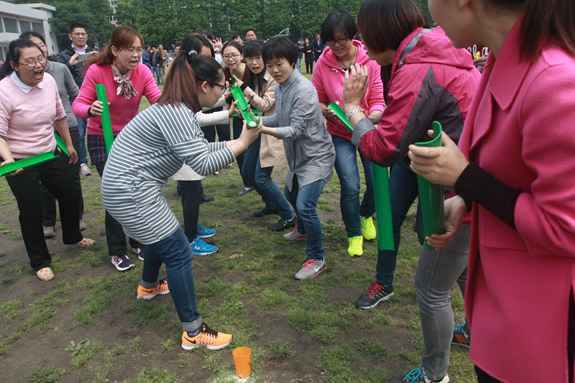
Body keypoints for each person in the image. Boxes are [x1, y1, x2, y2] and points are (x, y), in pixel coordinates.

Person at [406, 0, 575, 382]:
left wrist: (466, 180)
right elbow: (512, 176)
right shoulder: (501, 64)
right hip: (503, 318)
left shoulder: (554, 79)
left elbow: (565, 226)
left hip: (542, 334)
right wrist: (466, 201)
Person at [342, 0, 481, 381]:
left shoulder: (418, 67)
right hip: (459, 181)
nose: (361, 44)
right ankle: (474, 326)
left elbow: (382, 150)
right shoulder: (434, 49)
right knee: (458, 265)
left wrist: (353, 109)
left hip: (457, 192)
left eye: (362, 33)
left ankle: (435, 375)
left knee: (430, 289)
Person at [101, 51, 260, 351]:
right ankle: (193, 331)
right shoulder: (176, 112)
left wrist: (238, 141)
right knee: (178, 251)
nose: (224, 93)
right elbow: (202, 164)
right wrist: (244, 142)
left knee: (162, 237)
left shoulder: (176, 110)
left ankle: (148, 286)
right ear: (203, 86)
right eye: (221, 87)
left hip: (127, 188)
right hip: (131, 191)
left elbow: (201, 149)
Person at [0, 39, 95, 281]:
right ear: (14, 65)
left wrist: (69, 145)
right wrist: (10, 161)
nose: (38, 65)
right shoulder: (4, 91)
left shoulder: (49, 81)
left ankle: (72, 236)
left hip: (50, 152)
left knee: (71, 194)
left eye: (40, 58)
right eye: (29, 61)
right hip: (21, 160)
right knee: (31, 210)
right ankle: (40, 261)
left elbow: (59, 115)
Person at [72, 26, 161, 272]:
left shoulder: (142, 71)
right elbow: (78, 104)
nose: (136, 55)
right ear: (114, 50)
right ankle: (116, 250)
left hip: (130, 139)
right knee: (117, 193)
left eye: (139, 49)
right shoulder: (97, 72)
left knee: (136, 191)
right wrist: (91, 110)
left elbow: (157, 100)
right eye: (129, 49)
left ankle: (137, 241)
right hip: (101, 137)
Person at [259, 37, 335, 280]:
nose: (274, 70)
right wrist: (257, 120)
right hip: (297, 157)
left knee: (305, 205)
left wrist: (263, 130)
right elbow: (282, 119)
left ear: (293, 61)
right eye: (269, 65)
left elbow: (296, 129)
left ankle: (317, 257)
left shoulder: (303, 89)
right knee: (291, 195)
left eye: (279, 64)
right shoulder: (281, 87)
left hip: (316, 157)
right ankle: (302, 229)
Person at [312, 9, 384, 257]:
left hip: (367, 130)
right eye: (331, 41)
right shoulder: (322, 64)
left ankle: (366, 215)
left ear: (353, 35)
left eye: (341, 39)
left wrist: (371, 115)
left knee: (376, 183)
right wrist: (325, 111)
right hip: (339, 133)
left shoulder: (369, 60)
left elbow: (377, 98)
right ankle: (354, 233)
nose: (336, 45)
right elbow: (318, 100)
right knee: (350, 186)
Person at [170, 33, 234, 255]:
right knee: (192, 189)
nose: (206, 64)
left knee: (191, 190)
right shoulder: (181, 90)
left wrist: (224, 101)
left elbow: (200, 108)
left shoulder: (184, 84)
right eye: (204, 59)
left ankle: (191, 228)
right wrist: (240, 142)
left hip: (183, 145)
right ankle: (190, 237)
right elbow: (195, 118)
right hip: (180, 149)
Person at [20, 31, 88, 238]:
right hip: (39, 136)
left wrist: (79, 112)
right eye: (31, 49)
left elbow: (75, 93)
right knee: (44, 184)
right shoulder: (15, 83)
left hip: (67, 127)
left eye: (40, 48)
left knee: (71, 178)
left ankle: (76, 220)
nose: (38, 53)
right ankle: (48, 222)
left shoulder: (59, 70)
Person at [232, 40, 295, 231]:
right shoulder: (255, 76)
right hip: (258, 129)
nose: (254, 62)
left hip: (271, 131)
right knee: (248, 173)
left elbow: (265, 105)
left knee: (261, 177)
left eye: (258, 57)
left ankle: (288, 215)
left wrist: (244, 89)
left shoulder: (273, 77)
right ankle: (271, 204)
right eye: (249, 58)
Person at [57, 23, 96, 177]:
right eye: (77, 34)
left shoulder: (93, 52)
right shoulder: (64, 55)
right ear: (70, 36)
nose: (80, 36)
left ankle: (103, 158)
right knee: (79, 133)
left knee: (100, 129)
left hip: (95, 97)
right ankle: (83, 162)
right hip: (75, 98)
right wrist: (70, 64)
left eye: (83, 33)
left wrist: (97, 59)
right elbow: (58, 75)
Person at [222, 41, 253, 196]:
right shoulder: (224, 73)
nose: (231, 59)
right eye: (226, 56)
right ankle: (247, 183)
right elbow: (225, 100)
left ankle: (260, 179)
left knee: (257, 148)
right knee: (239, 148)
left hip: (256, 113)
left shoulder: (251, 70)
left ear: (241, 55)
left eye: (234, 55)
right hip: (237, 114)